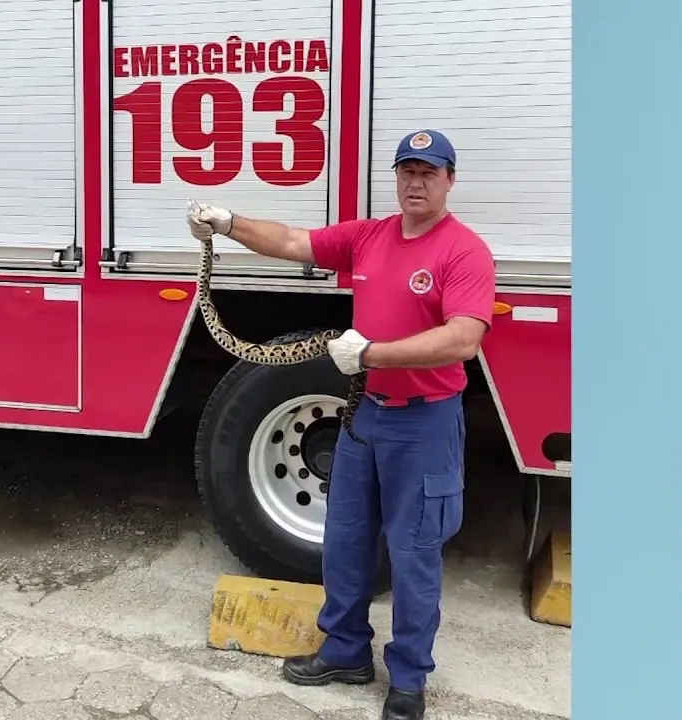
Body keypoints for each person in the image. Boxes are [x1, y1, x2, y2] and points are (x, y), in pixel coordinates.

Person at [187, 129, 496, 720]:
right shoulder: (370, 236)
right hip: (365, 416)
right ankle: (346, 651)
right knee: (346, 539)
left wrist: (372, 354)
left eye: (428, 173)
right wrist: (227, 223)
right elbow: (292, 240)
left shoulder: (464, 251)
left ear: (449, 180)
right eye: (407, 171)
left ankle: (408, 679)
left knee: (412, 553)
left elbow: (463, 339)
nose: (416, 183)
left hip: (424, 425)